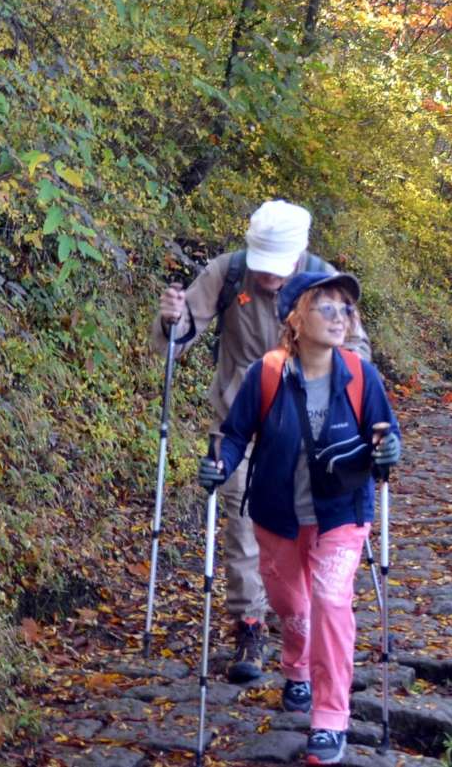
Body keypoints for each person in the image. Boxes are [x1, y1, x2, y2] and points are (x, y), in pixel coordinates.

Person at [155, 200, 370, 681]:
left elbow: (356, 349)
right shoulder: (228, 273)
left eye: (278, 269)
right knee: (242, 519)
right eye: (262, 267)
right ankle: (249, 624)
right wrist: (174, 320)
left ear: (299, 254)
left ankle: (303, 623)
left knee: (308, 528)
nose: (269, 278)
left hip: (312, 431)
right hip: (239, 424)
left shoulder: (324, 281)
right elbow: (182, 333)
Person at [197, 269, 401, 766]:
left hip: (341, 513)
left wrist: (388, 450)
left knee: (331, 602)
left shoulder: (359, 374)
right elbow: (235, 434)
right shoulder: (266, 373)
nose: (338, 317)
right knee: (294, 607)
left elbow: (386, 435)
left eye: (345, 308)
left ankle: (331, 720)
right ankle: (296, 669)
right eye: (325, 306)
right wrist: (219, 464)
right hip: (277, 514)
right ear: (296, 315)